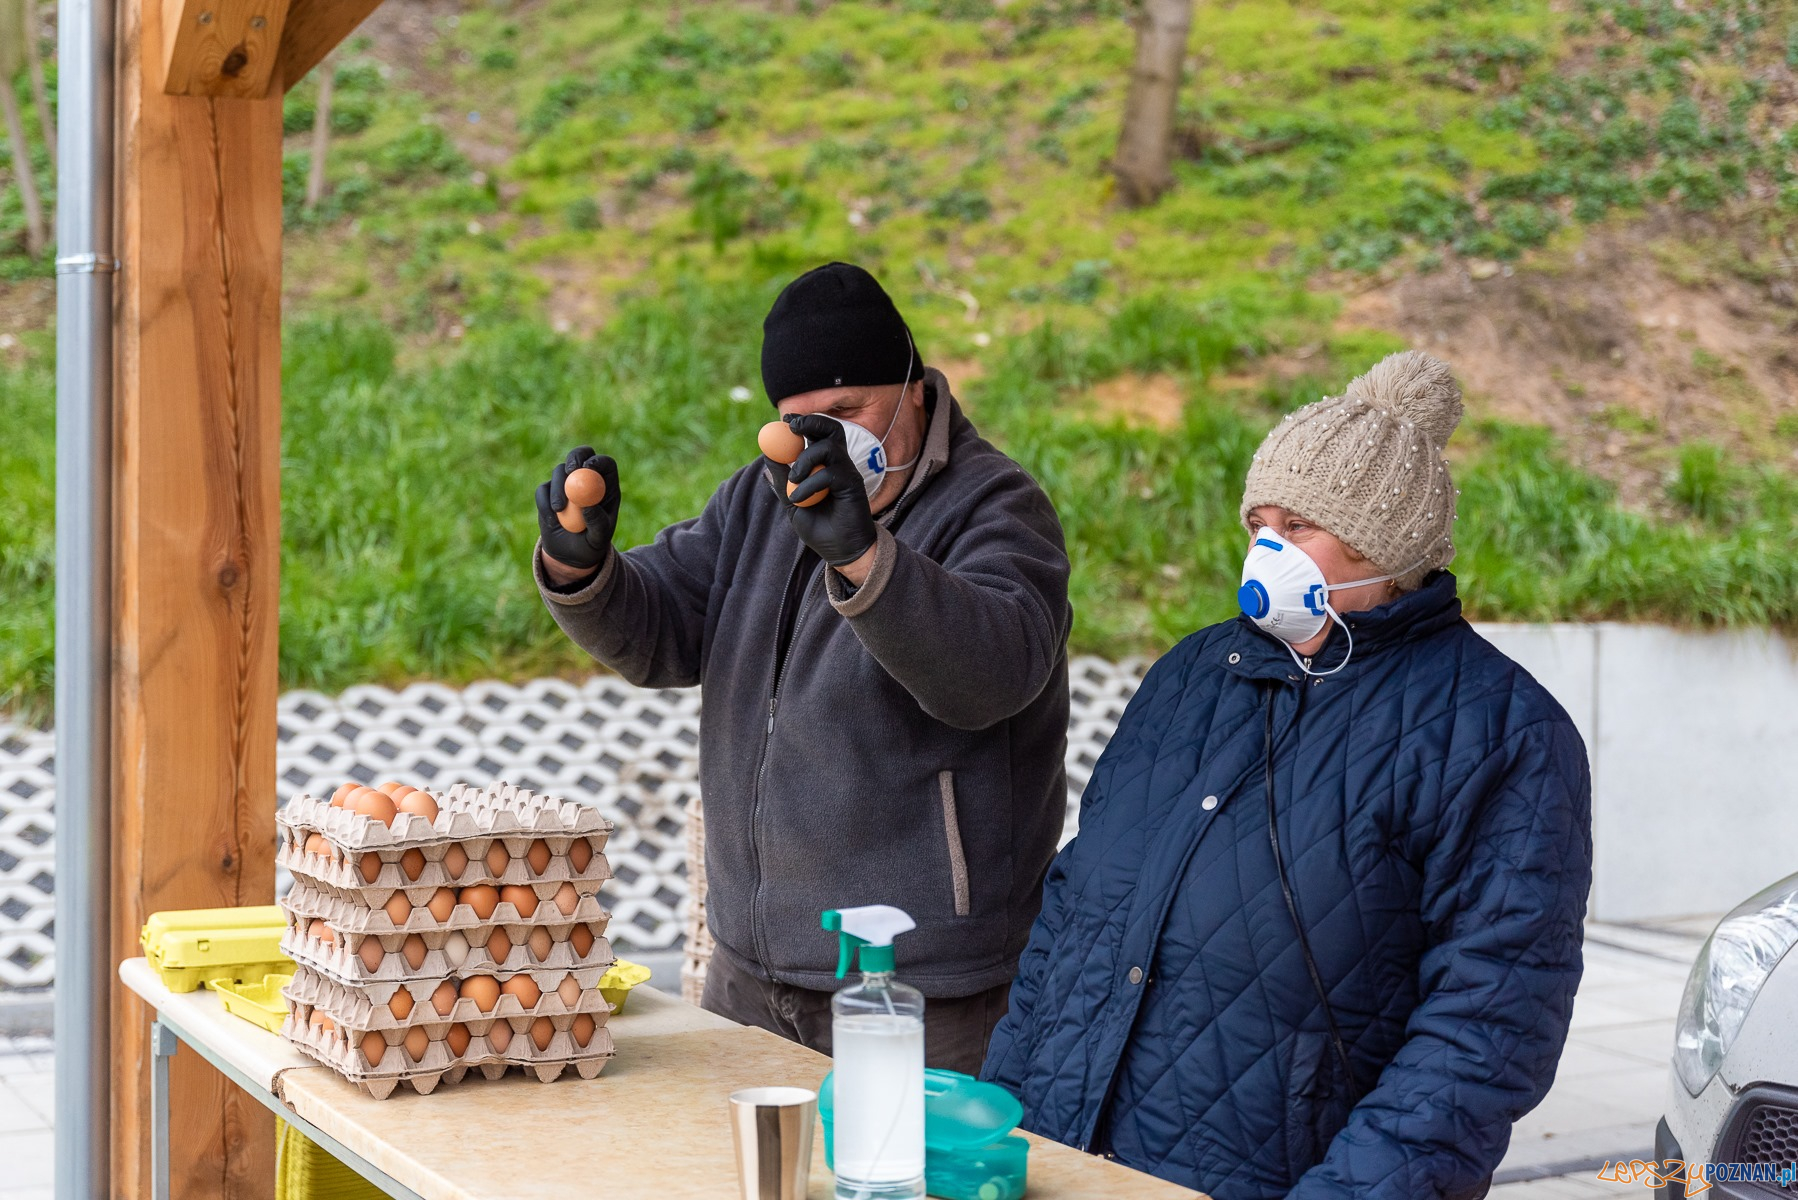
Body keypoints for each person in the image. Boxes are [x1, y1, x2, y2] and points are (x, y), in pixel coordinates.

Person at [981, 350, 1593, 1198]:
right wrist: (1001, 1126)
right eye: (1259, 523)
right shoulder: (1192, 672)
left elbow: (1486, 1031)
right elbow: (1075, 915)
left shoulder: (1504, 733)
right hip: (1058, 1166)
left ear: (1387, 540)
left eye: (1299, 526)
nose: (1269, 550)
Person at [533, 262, 1073, 1074]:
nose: (828, 442)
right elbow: (664, 632)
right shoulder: (763, 499)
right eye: (799, 421)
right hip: (751, 976)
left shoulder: (997, 507)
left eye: (849, 413)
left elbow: (990, 674)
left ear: (913, 386)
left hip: (920, 989)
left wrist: (862, 555)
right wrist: (582, 570)